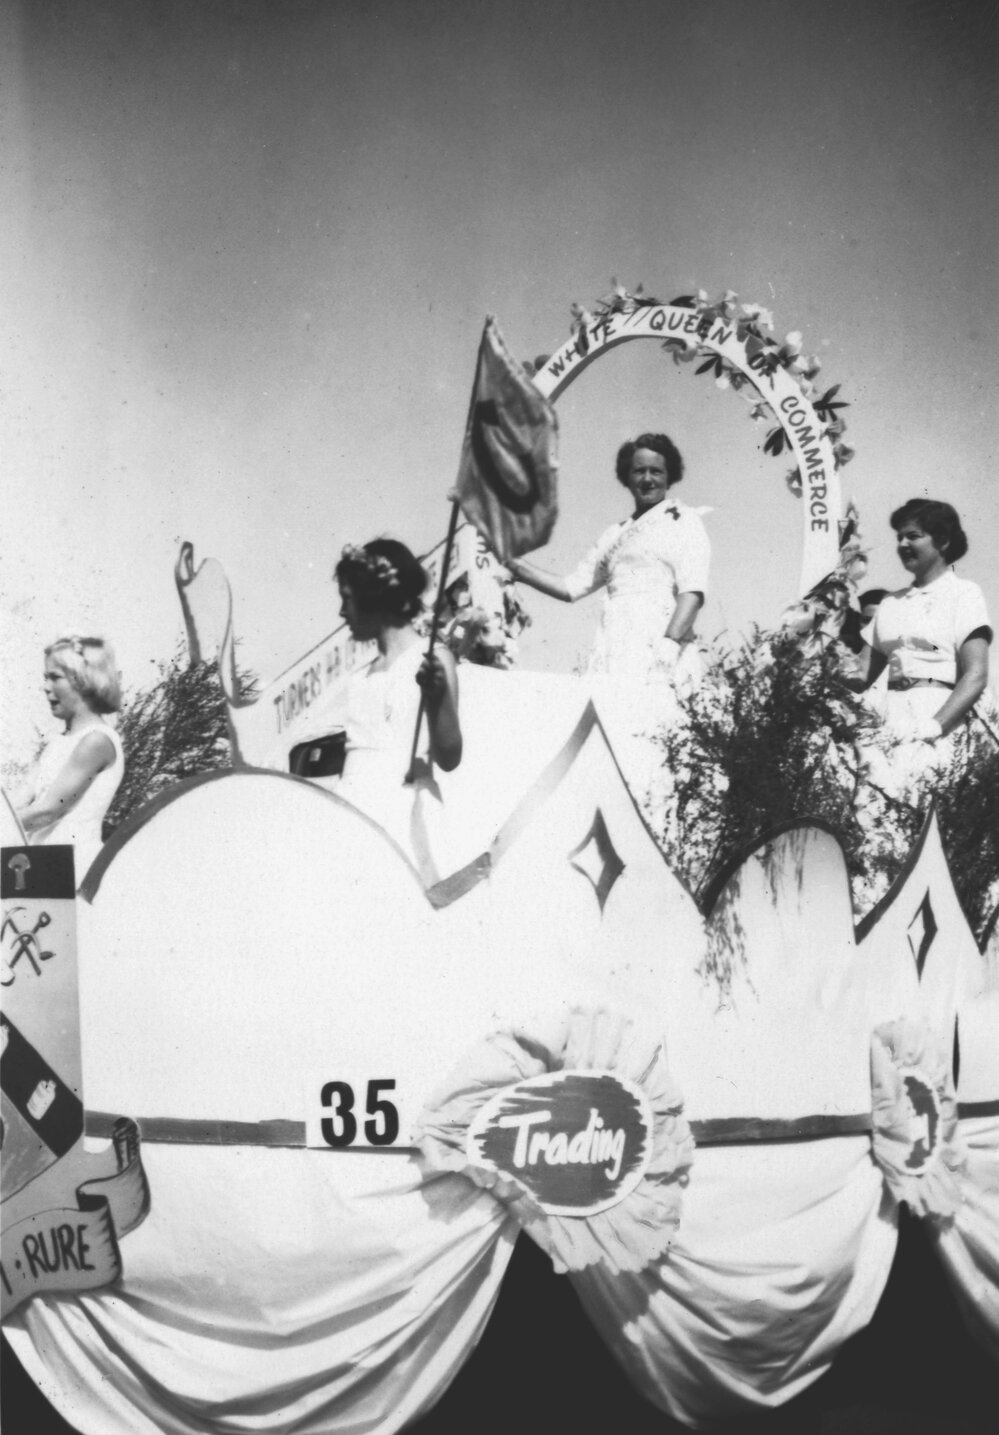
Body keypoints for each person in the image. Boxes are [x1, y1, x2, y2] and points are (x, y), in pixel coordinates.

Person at [306, 539, 461, 879]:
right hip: (355, 815)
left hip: (405, 815)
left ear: (373, 595)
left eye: (347, 599)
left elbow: (449, 757)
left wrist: (439, 699)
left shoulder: (433, 659)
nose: (342, 612)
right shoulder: (359, 677)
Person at [506, 433, 710, 687]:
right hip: (616, 643)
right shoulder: (614, 534)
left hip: (662, 644)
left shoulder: (683, 520)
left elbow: (692, 593)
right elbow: (572, 587)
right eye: (639, 471)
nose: (647, 479)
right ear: (627, 477)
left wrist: (667, 649)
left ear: (669, 476)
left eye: (656, 472)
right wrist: (515, 565)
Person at [841, 499, 993, 781]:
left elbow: (976, 674)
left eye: (913, 535)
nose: (902, 544)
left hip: (941, 720)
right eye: (899, 537)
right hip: (891, 720)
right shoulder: (890, 603)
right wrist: (814, 649)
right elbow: (860, 674)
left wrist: (934, 727)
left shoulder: (963, 594)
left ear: (944, 540)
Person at [15, 637, 125, 883]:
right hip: (44, 865)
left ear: (83, 681)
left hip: (74, 870)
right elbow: (20, 797)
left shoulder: (96, 741)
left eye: (54, 677)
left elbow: (47, 812)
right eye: (46, 678)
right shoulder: (57, 743)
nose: (45, 687)